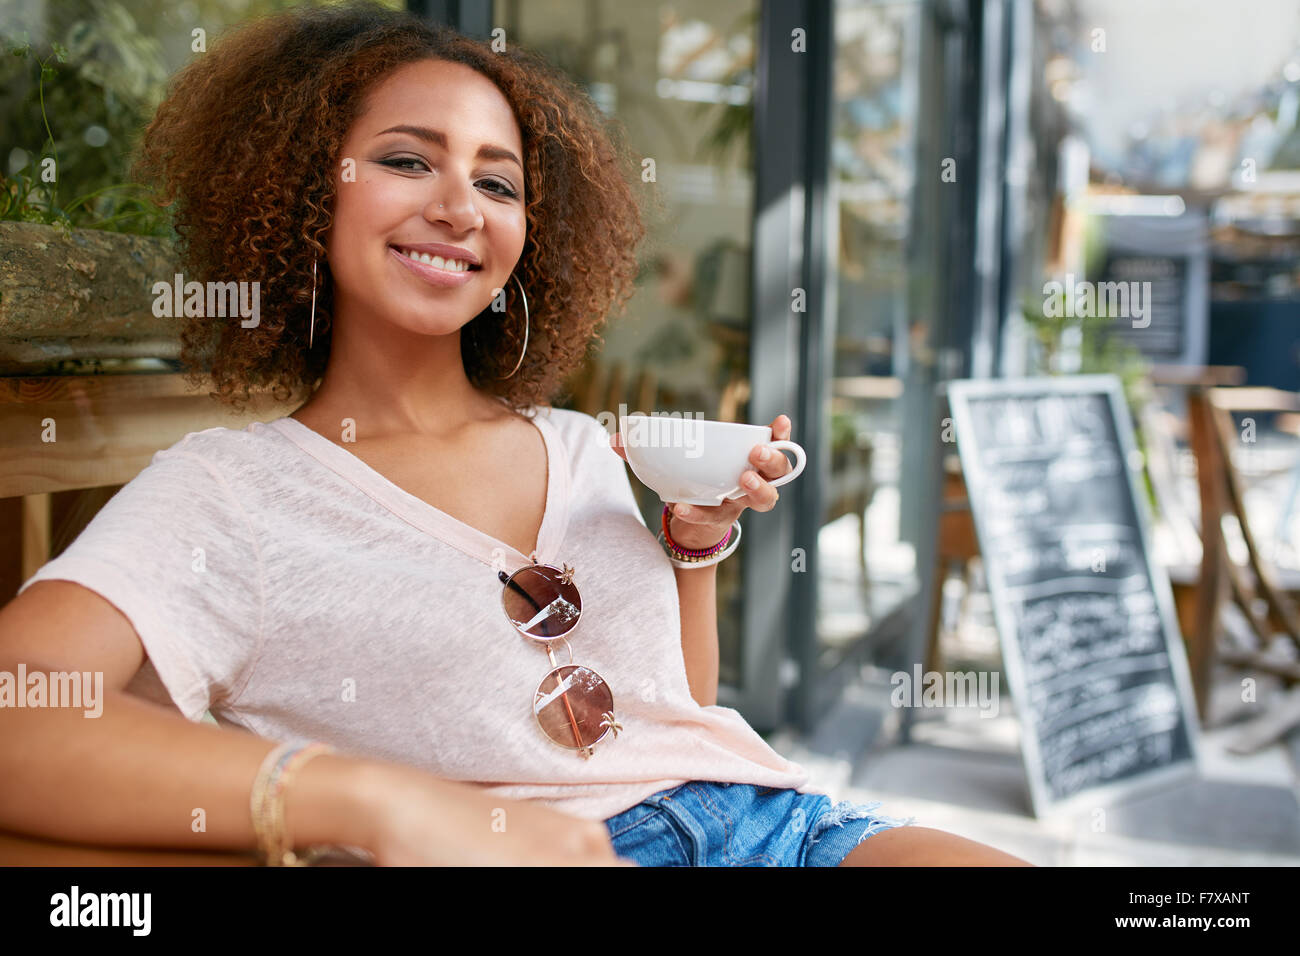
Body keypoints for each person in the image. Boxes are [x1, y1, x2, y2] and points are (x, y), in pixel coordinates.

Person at [0, 1, 1029, 867]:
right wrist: (369, 800)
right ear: (306, 197)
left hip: (779, 823)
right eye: (408, 161)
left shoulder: (577, 442)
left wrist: (694, 543)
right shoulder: (229, 491)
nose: (460, 206)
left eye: (498, 182)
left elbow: (664, 716)